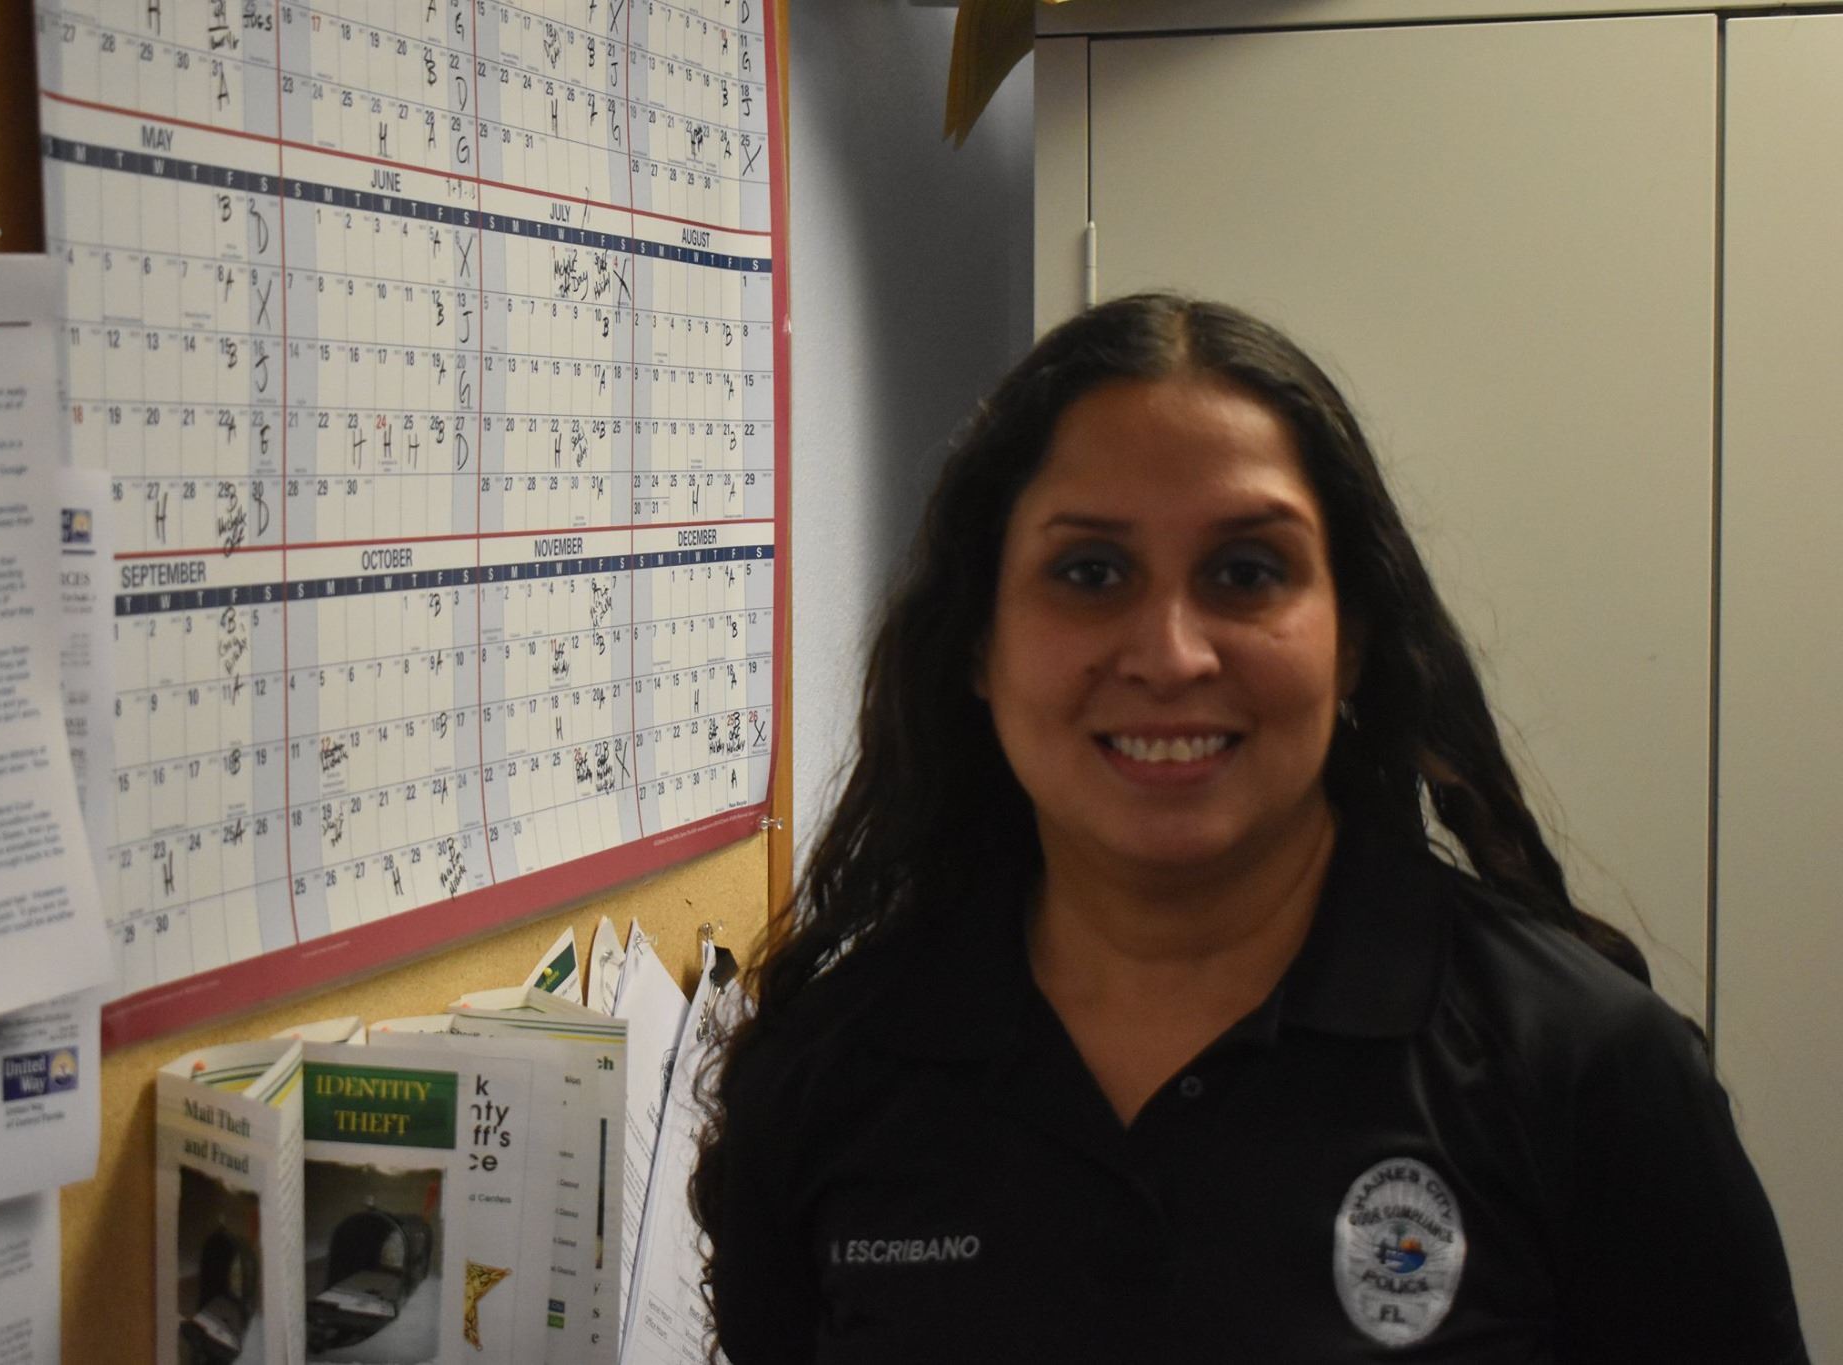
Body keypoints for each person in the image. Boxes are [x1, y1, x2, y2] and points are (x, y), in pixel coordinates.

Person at [691, 294, 1806, 1362]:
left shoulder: (1587, 1074)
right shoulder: (833, 1072)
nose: (1171, 654)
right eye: (1089, 572)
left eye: (1245, 572)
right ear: (977, 644)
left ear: (1351, 640)